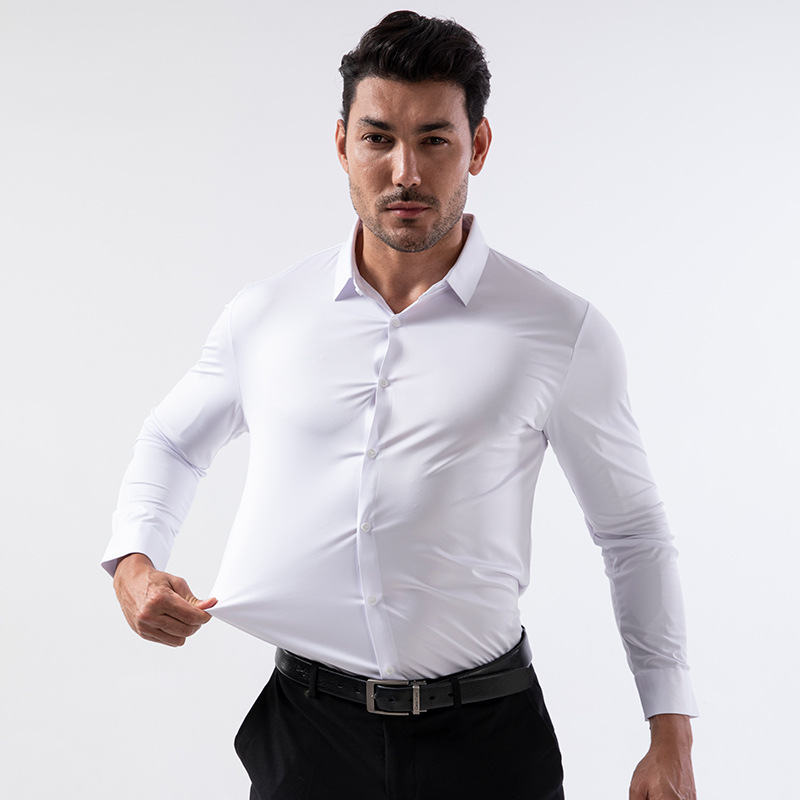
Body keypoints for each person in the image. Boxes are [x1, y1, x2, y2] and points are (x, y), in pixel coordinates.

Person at [103, 10, 698, 800]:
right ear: (342, 143)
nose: (405, 173)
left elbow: (632, 533)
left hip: (487, 742)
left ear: (477, 146)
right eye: (378, 138)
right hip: (305, 737)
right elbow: (173, 440)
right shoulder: (267, 315)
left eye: (434, 140)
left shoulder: (559, 331)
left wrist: (670, 734)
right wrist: (135, 563)